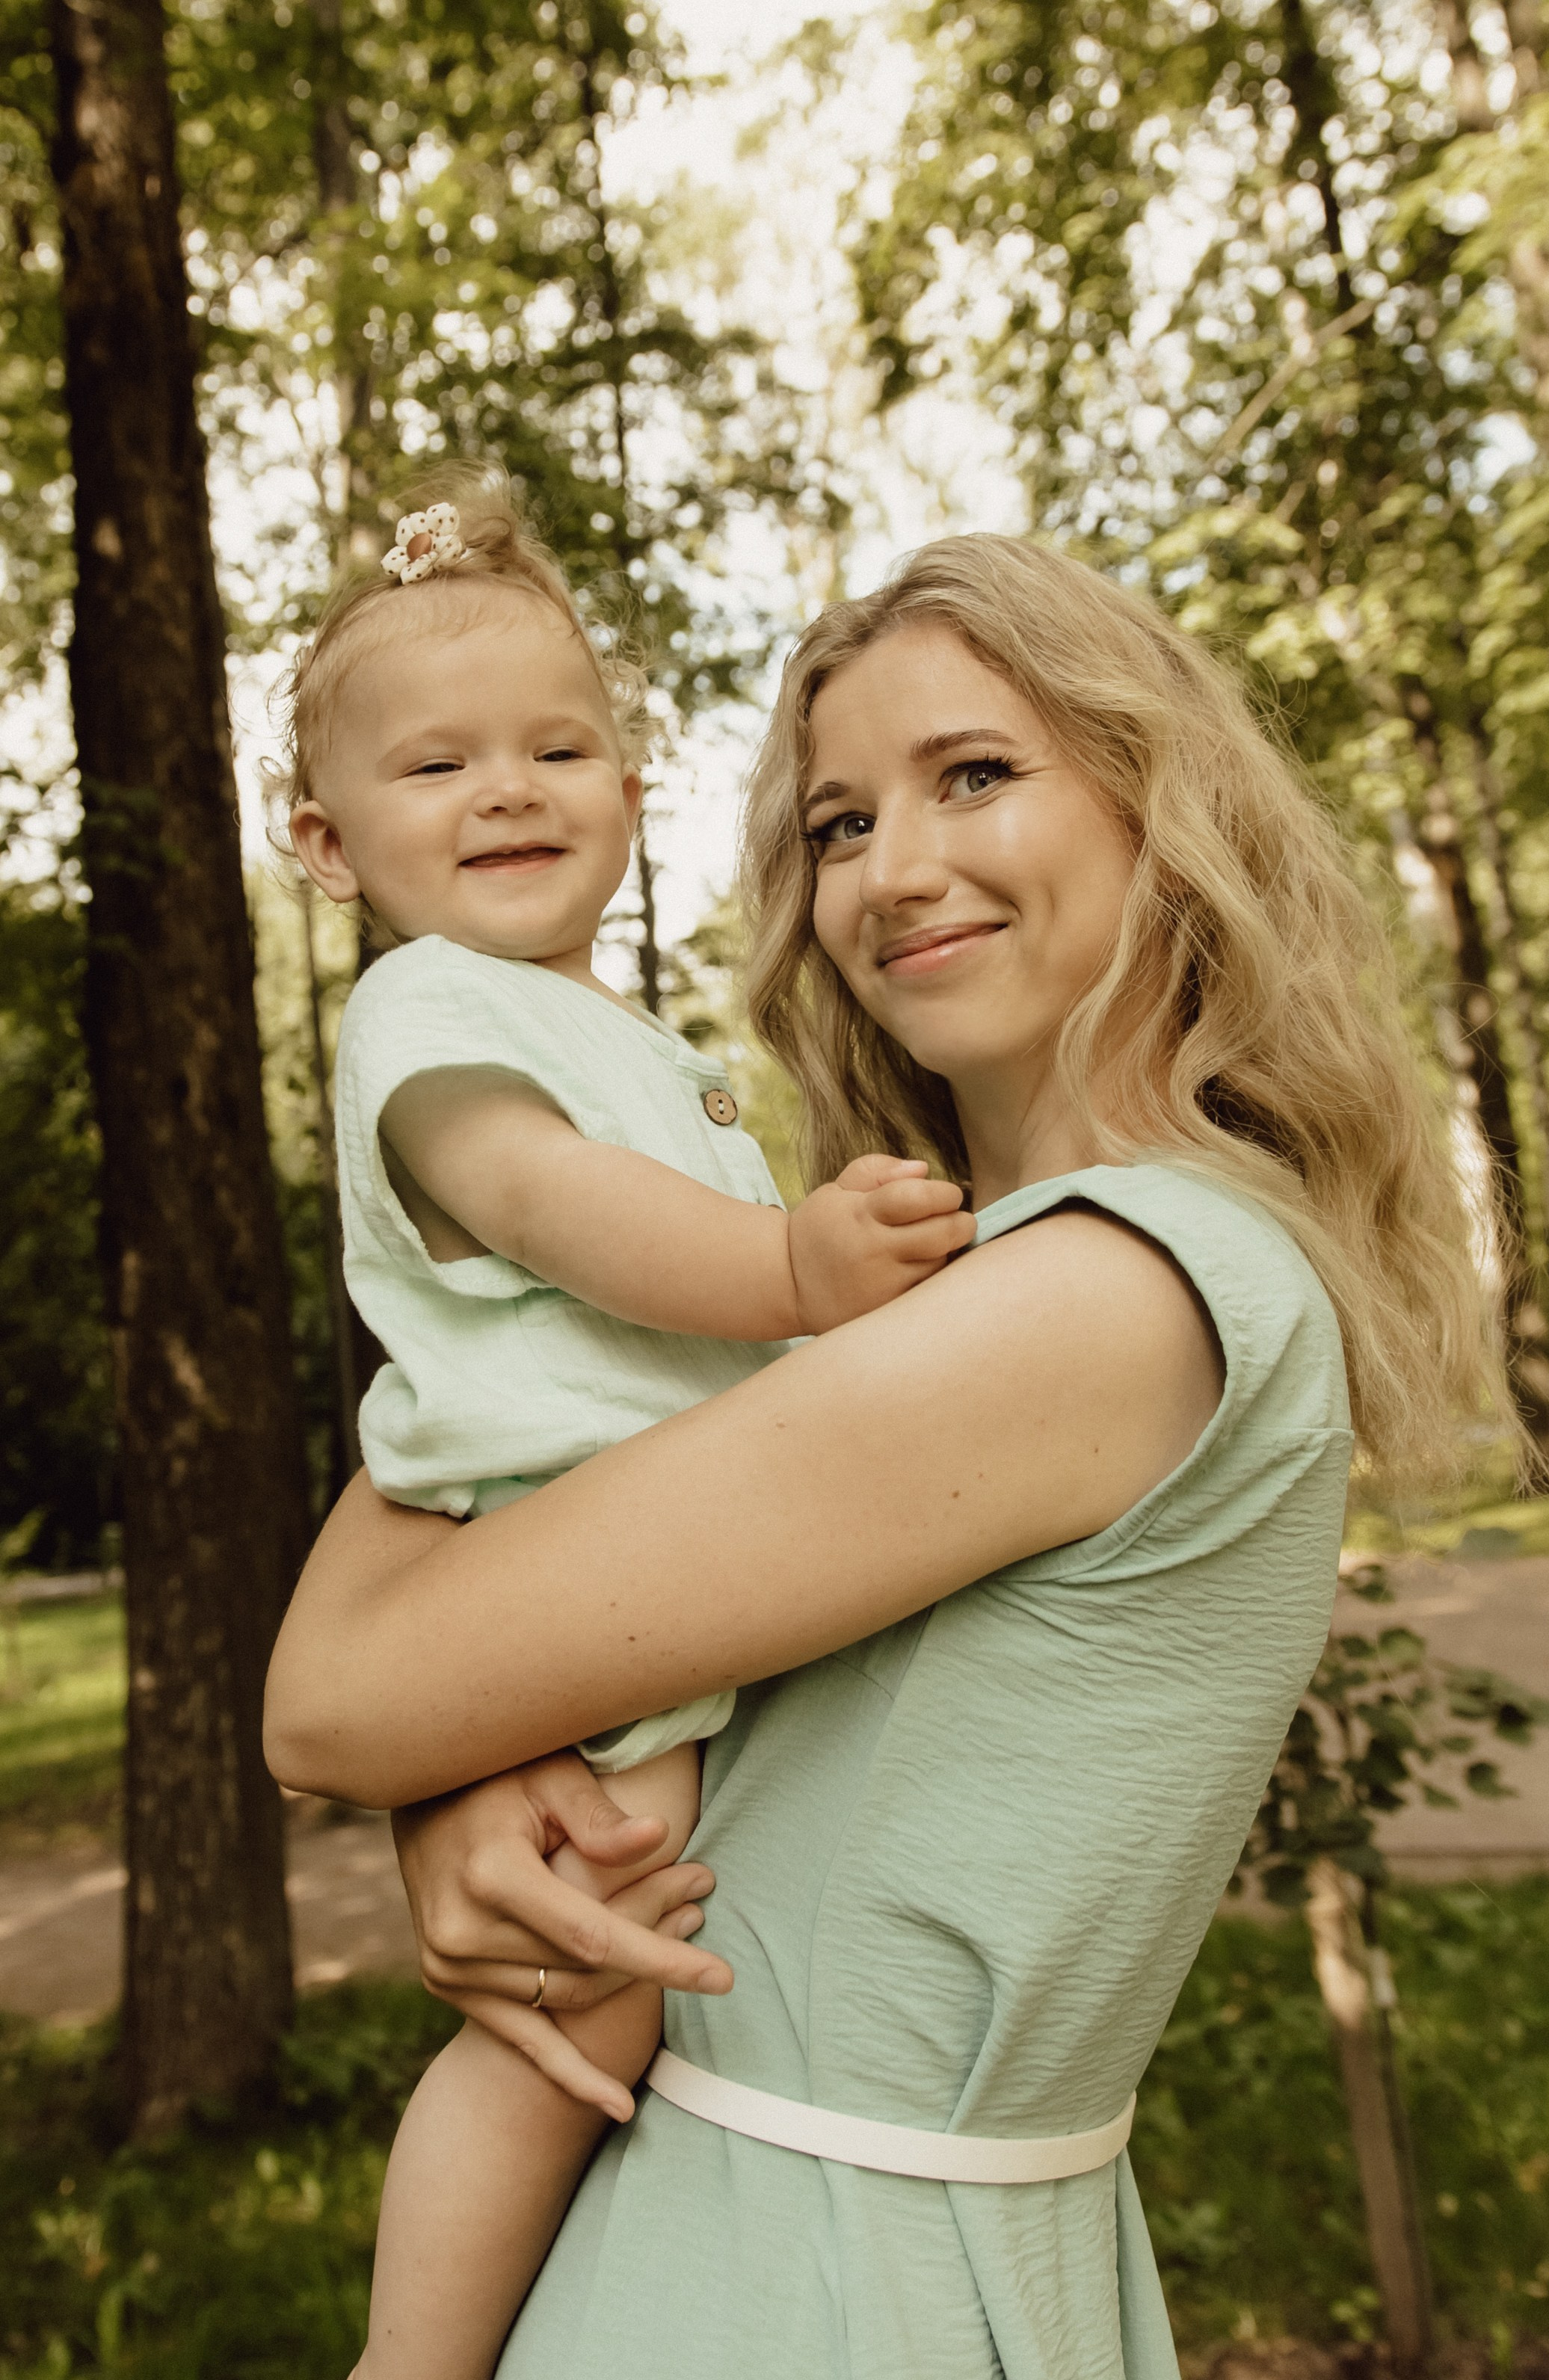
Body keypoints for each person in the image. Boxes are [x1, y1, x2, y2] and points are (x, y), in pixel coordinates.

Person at [266, 531, 1503, 2380]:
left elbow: (329, 1700)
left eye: (977, 774)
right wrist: (479, 1781)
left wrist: (442, 1753)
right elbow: (512, 1550)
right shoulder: (990, 1280)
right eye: (840, 823)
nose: (894, 869)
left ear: (1166, 809)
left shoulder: (1102, 1295)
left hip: (804, 2283)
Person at [276, 469, 975, 2380]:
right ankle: (416, 2355)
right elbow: (543, 1200)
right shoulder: (431, 1010)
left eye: (556, 748)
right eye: (438, 766)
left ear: (631, 786)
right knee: (583, 1998)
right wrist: (791, 1268)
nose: (507, 790)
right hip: (574, 1563)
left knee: (631, 1975)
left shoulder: (624, 1032)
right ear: (326, 843)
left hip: (646, 1558)